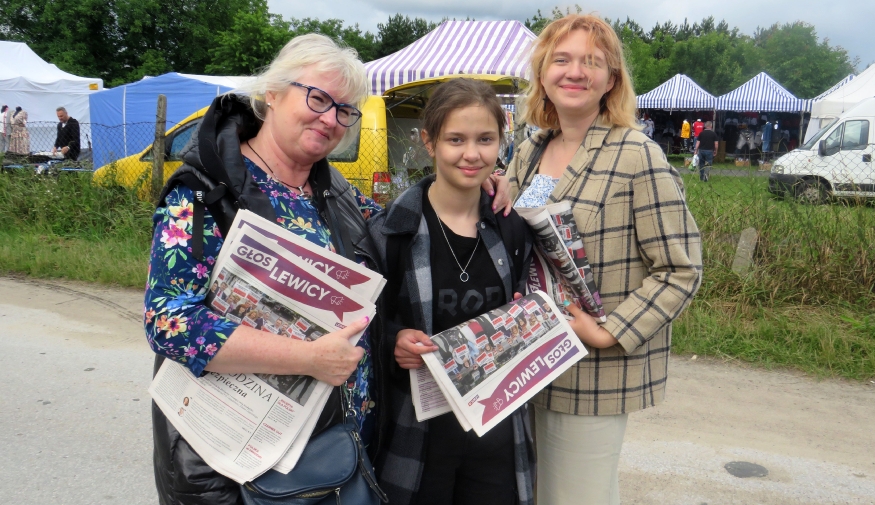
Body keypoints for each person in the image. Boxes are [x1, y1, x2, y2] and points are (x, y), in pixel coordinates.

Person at [144, 34, 383, 505]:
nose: (330, 119)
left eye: (344, 111)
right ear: (272, 92)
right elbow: (169, 322)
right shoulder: (202, 192)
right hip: (235, 463)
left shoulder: (334, 190)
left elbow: (400, 229)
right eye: (318, 99)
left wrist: (474, 184)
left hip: (332, 451)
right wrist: (308, 359)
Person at [506, 14, 702, 505]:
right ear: (542, 72)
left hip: (589, 369)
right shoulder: (529, 150)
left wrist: (610, 331)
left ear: (611, 79)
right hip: (527, 359)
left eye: (591, 62)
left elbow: (680, 268)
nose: (575, 72)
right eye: (562, 59)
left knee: (576, 496)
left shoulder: (637, 155)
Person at [368, 78, 535, 505]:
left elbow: (527, 301)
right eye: (456, 139)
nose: (471, 154)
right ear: (429, 142)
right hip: (418, 436)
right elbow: (366, 322)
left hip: (495, 434)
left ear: (501, 142)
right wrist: (394, 341)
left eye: (485, 139)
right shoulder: (392, 232)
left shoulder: (511, 227)